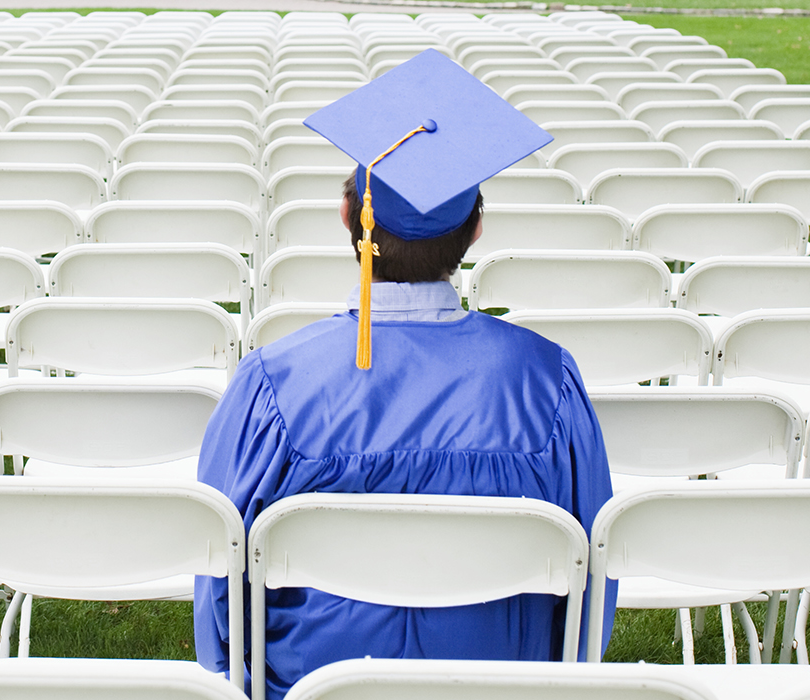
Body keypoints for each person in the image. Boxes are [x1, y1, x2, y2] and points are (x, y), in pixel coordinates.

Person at [193, 48, 616, 700]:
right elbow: (592, 582)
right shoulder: (546, 382)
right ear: (476, 230)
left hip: (313, 687)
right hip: (499, 686)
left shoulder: (272, 382)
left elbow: (221, 584)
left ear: (347, 221)